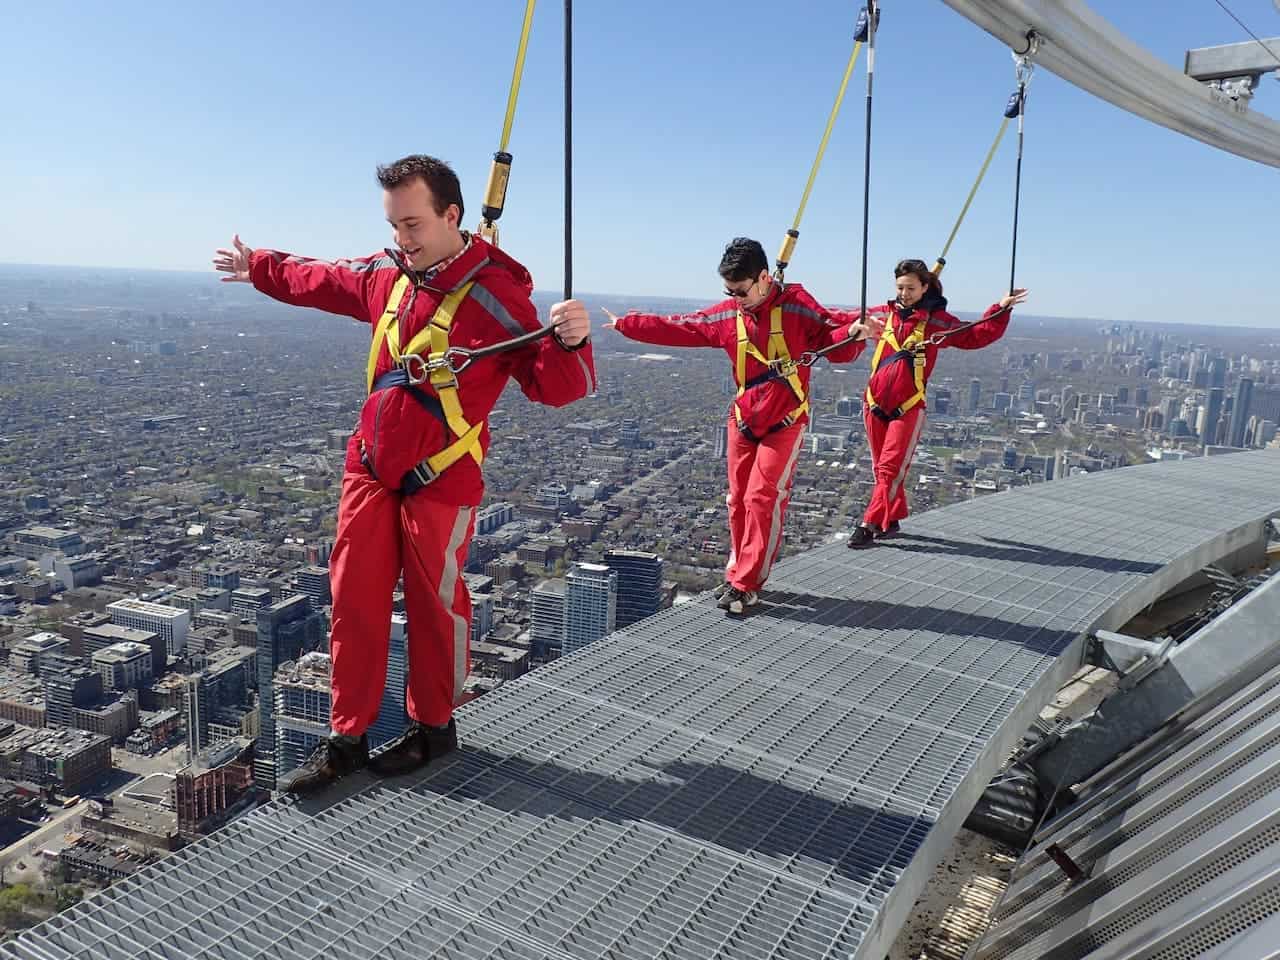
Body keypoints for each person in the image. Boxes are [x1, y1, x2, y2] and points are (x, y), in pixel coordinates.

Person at [213, 154, 595, 793]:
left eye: (413, 224)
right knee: (353, 600)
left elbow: (553, 386)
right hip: (369, 466)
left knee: (433, 604)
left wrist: (573, 342)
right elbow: (323, 278)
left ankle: (434, 729)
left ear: (452, 216)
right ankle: (347, 739)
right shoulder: (388, 276)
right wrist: (260, 267)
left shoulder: (496, 297)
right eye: (395, 226)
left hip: (440, 475)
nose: (403, 240)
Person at [604, 238, 882, 614]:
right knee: (737, 500)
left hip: (785, 421)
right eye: (728, 291)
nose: (735, 298)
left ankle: (747, 584)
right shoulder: (728, 315)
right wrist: (626, 324)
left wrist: (855, 335)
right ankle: (737, 572)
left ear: (764, 278)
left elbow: (834, 342)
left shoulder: (800, 309)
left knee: (761, 498)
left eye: (740, 290)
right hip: (744, 419)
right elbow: (680, 327)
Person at [847, 258, 1027, 548]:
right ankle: (892, 517)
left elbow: (975, 335)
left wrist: (1000, 309)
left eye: (910, 288)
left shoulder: (936, 321)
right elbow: (839, 318)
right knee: (881, 466)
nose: (904, 293)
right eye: (900, 288)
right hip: (873, 403)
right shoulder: (884, 314)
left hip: (908, 407)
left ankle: (869, 524)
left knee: (889, 469)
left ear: (925, 287)